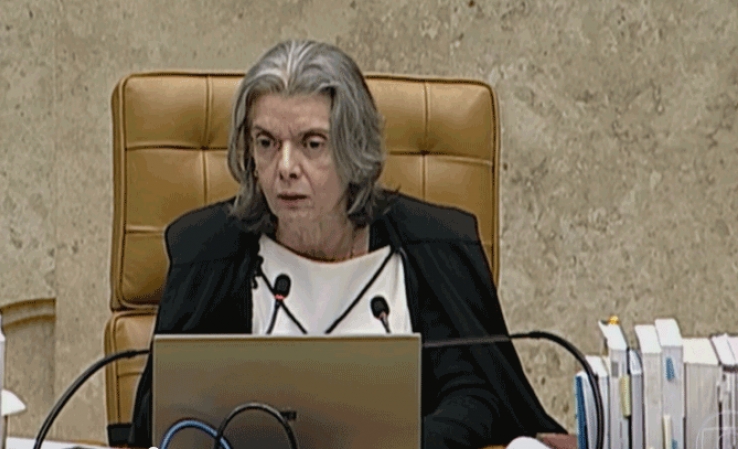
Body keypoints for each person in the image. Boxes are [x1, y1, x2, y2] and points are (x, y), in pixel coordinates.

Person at [127, 40, 564, 449]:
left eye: (312, 144)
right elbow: (164, 416)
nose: (285, 167)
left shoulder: (432, 247)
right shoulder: (209, 254)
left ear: (354, 149)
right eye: (266, 143)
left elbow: (475, 396)